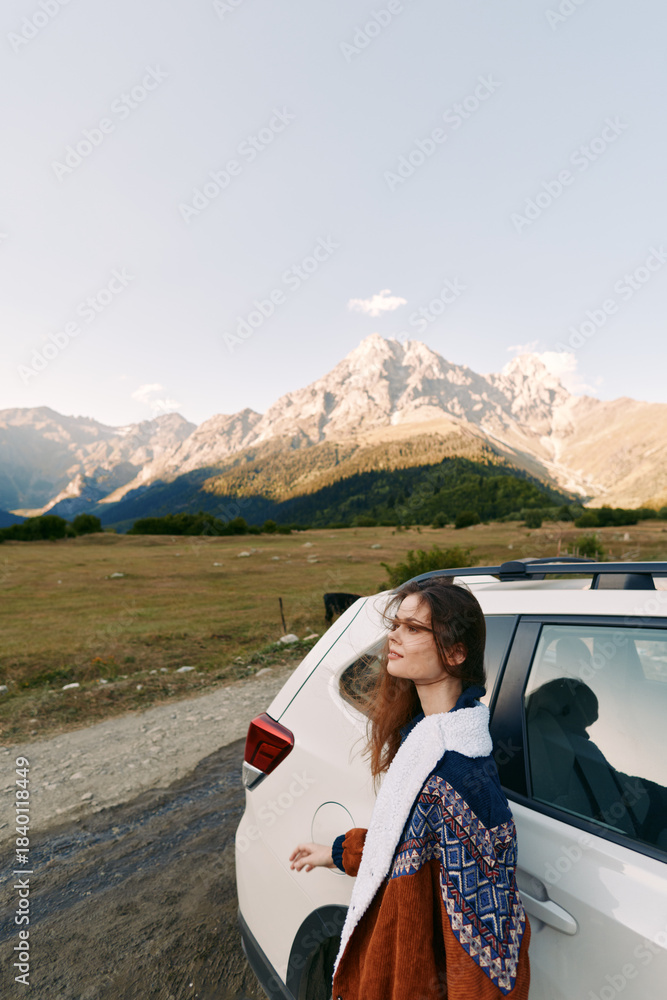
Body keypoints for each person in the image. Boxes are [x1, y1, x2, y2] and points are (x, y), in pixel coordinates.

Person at [289, 577, 531, 999]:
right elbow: (402, 845)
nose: (393, 636)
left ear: (455, 654)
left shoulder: (460, 779)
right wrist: (334, 853)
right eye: (396, 625)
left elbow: (486, 955)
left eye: (413, 629)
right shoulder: (425, 736)